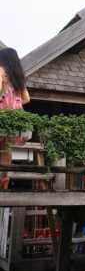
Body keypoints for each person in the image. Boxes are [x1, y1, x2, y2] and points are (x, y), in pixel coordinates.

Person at [0, 48, 30, 189]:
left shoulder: (0, 72)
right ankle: (3, 188)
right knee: (6, 154)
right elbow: (26, 99)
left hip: (3, 119)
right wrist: (14, 103)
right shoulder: (19, 77)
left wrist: (5, 102)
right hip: (16, 122)